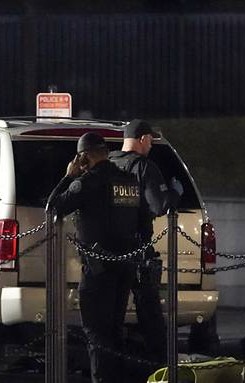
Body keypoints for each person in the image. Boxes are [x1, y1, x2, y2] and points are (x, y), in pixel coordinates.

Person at [47, 132, 141, 383]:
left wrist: (69, 176)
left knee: (96, 333)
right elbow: (144, 220)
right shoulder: (129, 181)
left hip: (98, 269)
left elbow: (53, 207)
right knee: (115, 330)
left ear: (84, 157)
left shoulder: (87, 182)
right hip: (125, 265)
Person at [108, 119, 183, 366]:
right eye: (150, 140)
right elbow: (159, 205)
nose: (151, 144)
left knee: (113, 314)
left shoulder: (108, 164)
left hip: (107, 252)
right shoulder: (144, 168)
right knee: (150, 312)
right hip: (138, 250)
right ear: (142, 139)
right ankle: (160, 365)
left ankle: (112, 364)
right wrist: (174, 193)